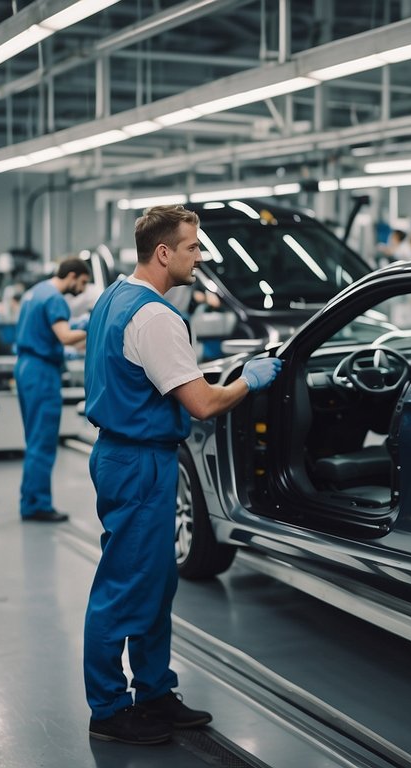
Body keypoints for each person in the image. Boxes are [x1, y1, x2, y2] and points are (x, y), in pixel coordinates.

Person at [82, 204, 281, 745]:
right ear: (164, 252)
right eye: (193, 247)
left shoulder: (114, 299)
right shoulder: (156, 317)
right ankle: (108, 708)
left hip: (127, 454)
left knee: (155, 580)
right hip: (139, 461)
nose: (201, 255)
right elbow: (203, 404)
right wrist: (249, 379)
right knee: (123, 586)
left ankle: (153, 692)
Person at [14, 258, 90, 523]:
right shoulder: (55, 299)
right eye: (82, 283)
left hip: (25, 367)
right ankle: (37, 505)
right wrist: (92, 324)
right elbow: (65, 337)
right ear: (71, 276)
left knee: (34, 438)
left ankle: (29, 500)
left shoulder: (34, 292)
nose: (82, 289)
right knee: (43, 441)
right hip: (42, 373)